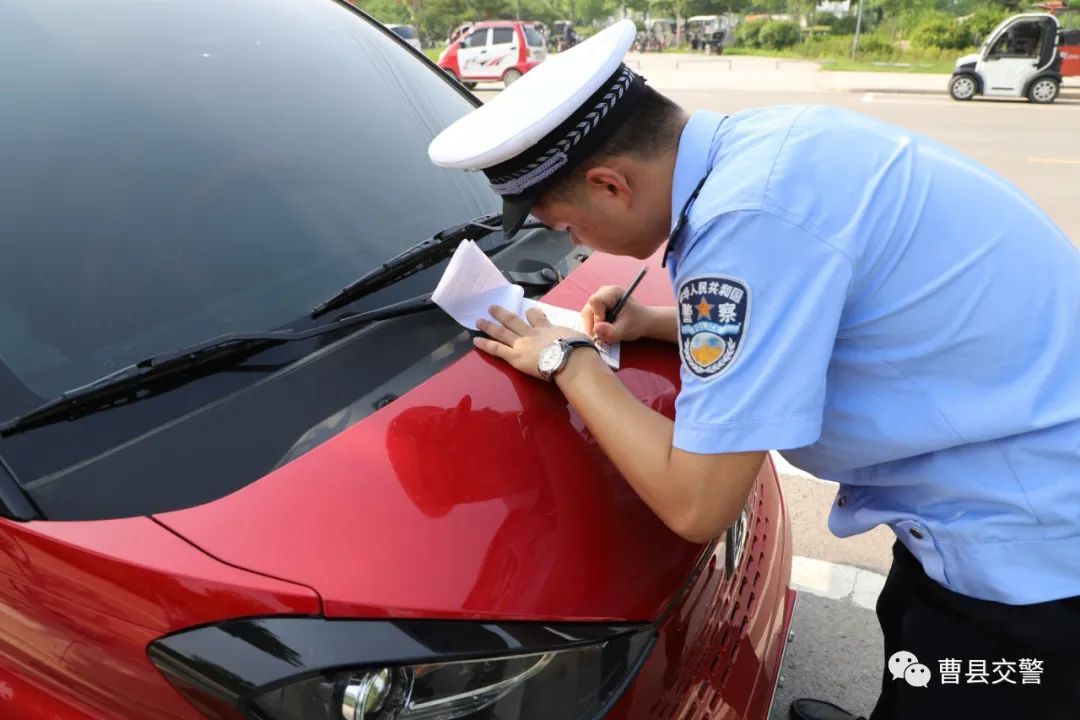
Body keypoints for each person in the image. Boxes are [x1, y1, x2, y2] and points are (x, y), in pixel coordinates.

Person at [427, 19, 1080, 720]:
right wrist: (660, 323)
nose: (576, 243)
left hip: (1027, 562)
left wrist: (567, 360)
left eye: (566, 227)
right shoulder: (767, 145)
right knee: (919, 657)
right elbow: (827, 305)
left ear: (611, 185)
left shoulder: (745, 221)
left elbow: (698, 503)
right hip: (984, 495)